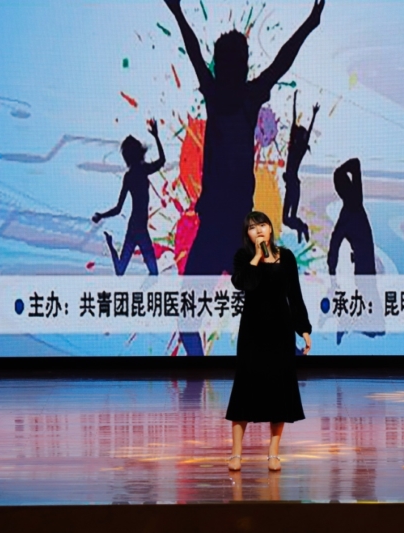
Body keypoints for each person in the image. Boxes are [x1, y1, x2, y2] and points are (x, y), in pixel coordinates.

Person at [165, 0, 325, 355]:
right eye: (230, 61)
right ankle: (199, 367)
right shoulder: (222, 95)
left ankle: (286, 358)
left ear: (240, 66)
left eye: (238, 61)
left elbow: (281, 62)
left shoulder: (243, 98)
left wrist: (309, 24)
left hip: (234, 228)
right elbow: (195, 53)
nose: (234, 67)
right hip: (216, 227)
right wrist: (177, 13)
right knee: (189, 318)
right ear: (222, 65)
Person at [226, 211, 312, 472]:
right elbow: (244, 283)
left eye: (262, 225)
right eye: (253, 228)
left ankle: (273, 453)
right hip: (252, 331)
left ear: (271, 229)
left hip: (280, 331)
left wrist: (303, 329)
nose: (259, 230)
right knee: (245, 389)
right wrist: (257, 258)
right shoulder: (243, 257)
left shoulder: (286, 257)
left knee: (279, 391)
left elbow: (294, 295)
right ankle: (236, 453)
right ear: (248, 235)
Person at [92, 119, 165, 275]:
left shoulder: (130, 176)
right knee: (153, 272)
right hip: (139, 227)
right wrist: (156, 137)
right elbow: (161, 161)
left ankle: (110, 243)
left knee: (122, 270)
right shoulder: (142, 170)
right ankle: (110, 244)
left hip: (135, 227)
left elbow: (118, 209)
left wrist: (101, 215)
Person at [327, 158, 376, 276]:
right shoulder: (354, 204)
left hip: (364, 268)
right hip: (364, 267)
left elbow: (335, 242)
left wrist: (332, 269)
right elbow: (355, 164)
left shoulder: (353, 206)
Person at [283, 90, 319, 243]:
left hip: (293, 186)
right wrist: (294, 101)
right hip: (292, 186)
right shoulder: (294, 148)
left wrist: (314, 115)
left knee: (288, 218)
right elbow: (294, 121)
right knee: (287, 219)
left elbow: (307, 133)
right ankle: (301, 227)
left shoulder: (298, 150)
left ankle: (301, 227)